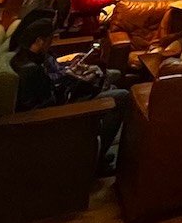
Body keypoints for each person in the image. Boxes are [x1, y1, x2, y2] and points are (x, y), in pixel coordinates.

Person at [10, 15, 129, 171]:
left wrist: (71, 69)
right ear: (39, 41)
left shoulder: (33, 56)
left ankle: (95, 152)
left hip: (65, 96)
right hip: (64, 111)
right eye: (49, 39)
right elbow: (48, 104)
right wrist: (74, 80)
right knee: (122, 96)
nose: (51, 42)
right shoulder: (30, 70)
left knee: (111, 80)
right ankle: (95, 161)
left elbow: (53, 78)